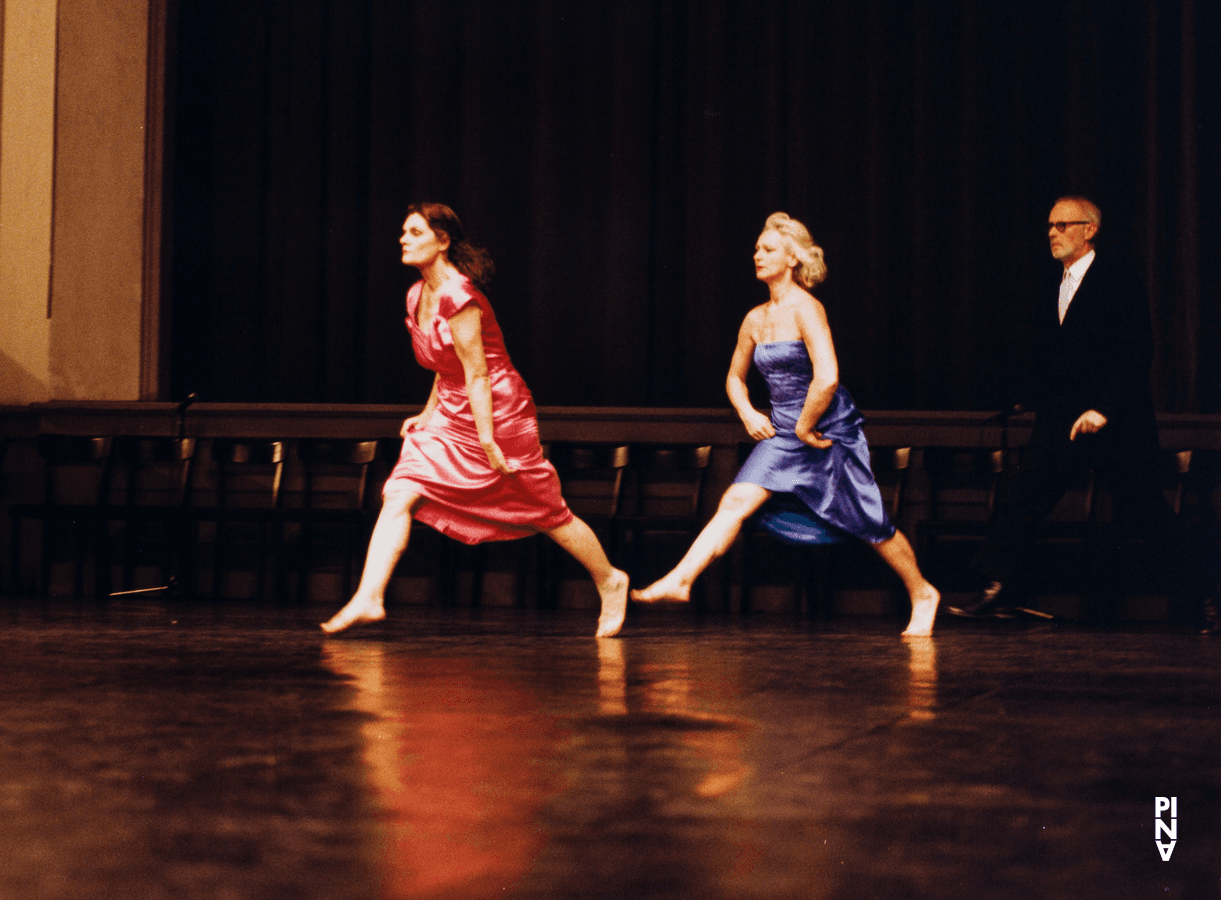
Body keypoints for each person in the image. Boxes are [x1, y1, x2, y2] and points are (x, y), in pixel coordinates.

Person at [322, 203, 629, 637]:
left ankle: (609, 579)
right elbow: (446, 367)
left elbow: (478, 373)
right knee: (401, 492)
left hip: (498, 411)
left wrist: (488, 441)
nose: (402, 239)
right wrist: (426, 414)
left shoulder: (458, 295)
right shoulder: (416, 294)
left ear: (442, 240)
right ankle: (370, 597)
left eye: (413, 232)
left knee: (544, 511)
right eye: (403, 232)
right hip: (451, 408)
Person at [633, 212, 941, 636]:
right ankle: (680, 580)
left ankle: (923, 592)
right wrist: (748, 413)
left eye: (768, 249)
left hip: (827, 433)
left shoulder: (807, 309)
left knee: (869, 524)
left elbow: (827, 376)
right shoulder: (755, 318)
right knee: (735, 502)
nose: (757, 255)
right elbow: (734, 378)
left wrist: (804, 426)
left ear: (793, 258)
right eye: (757, 249)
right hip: (784, 433)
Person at [949, 196, 1218, 630]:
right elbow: (1055, 356)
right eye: (1049, 226)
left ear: (1089, 229)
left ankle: (1203, 597)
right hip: (1059, 420)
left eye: (1062, 225)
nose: (1052, 233)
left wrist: (1102, 409)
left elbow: (1136, 353)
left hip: (1115, 422)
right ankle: (1002, 592)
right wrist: (1030, 397)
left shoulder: (1117, 278)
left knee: (1143, 510)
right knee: (1022, 498)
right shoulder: (1050, 283)